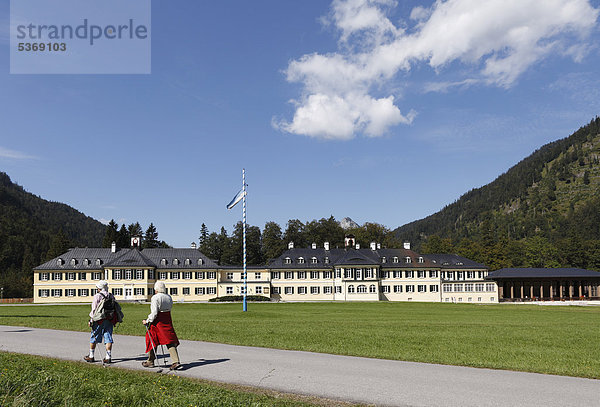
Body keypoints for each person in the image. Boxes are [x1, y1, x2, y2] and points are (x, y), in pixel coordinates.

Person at [142, 281, 181, 370]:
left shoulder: (155, 298)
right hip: (167, 319)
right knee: (169, 340)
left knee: (152, 338)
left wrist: (147, 321)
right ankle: (176, 361)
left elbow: (154, 312)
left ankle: (150, 360)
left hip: (158, 321)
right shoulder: (169, 297)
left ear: (156, 289)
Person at [84, 280, 117, 363]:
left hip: (99, 319)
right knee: (108, 337)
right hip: (109, 319)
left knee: (94, 336)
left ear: (99, 288)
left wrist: (91, 320)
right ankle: (108, 357)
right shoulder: (111, 296)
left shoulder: (97, 296)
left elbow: (94, 309)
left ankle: (91, 356)